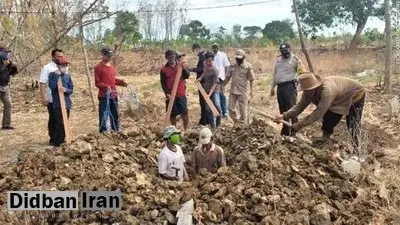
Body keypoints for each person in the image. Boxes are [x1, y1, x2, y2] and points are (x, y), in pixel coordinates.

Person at [275, 72, 366, 149]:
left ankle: (356, 150)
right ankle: (325, 138)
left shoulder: (327, 91)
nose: (305, 92)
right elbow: (299, 106)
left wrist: (299, 125)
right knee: (329, 117)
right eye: (304, 90)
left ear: (314, 87)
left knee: (352, 123)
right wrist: (284, 116)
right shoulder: (308, 93)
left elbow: (319, 112)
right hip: (338, 98)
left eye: (307, 90)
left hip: (355, 94)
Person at [270, 43, 305, 136]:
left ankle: (294, 130)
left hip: (290, 87)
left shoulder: (295, 60)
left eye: (286, 51)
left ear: (290, 50)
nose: (284, 53)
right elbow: (275, 74)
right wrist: (272, 88)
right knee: (282, 109)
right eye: (282, 51)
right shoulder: (278, 59)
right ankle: (285, 129)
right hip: (280, 87)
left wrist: (297, 81)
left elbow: (302, 73)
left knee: (292, 108)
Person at [94, 47, 128, 133]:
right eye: (108, 56)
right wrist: (105, 87)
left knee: (115, 114)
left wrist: (122, 83)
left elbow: (113, 80)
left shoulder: (112, 67)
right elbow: (97, 83)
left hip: (113, 94)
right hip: (104, 95)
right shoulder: (98, 67)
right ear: (103, 55)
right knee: (104, 114)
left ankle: (115, 130)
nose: (109, 58)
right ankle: (103, 131)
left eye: (110, 56)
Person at [160, 50, 190, 131]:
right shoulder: (163, 69)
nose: (171, 59)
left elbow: (187, 76)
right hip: (170, 95)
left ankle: (185, 129)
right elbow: (163, 82)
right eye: (169, 57)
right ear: (166, 58)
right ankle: (174, 129)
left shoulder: (180, 66)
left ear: (175, 57)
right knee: (172, 114)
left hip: (181, 93)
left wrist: (184, 68)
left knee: (184, 112)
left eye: (173, 57)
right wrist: (167, 93)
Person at [47, 56, 73, 150]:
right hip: (57, 104)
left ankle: (63, 141)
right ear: (58, 66)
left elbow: (71, 89)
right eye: (63, 65)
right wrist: (57, 75)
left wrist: (66, 90)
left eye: (66, 65)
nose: (65, 67)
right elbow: (52, 87)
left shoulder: (68, 75)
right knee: (60, 123)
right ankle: (57, 143)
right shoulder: (52, 75)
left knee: (65, 122)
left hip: (67, 103)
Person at [39, 49, 64, 144]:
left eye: (61, 56)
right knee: (54, 119)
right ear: (53, 57)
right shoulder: (47, 68)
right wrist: (44, 97)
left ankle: (61, 138)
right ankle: (53, 139)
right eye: (58, 56)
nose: (60, 58)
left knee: (61, 119)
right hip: (52, 99)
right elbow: (42, 83)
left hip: (62, 98)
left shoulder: (63, 67)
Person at [224, 49, 254, 123]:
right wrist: (223, 85)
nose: (238, 60)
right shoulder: (232, 65)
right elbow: (228, 77)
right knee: (230, 108)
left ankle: (243, 125)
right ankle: (236, 122)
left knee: (243, 111)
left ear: (244, 57)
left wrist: (251, 91)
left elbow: (251, 79)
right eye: (237, 58)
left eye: (240, 58)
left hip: (243, 91)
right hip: (233, 90)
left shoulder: (247, 66)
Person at [196, 51, 221, 128]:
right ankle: (212, 125)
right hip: (206, 88)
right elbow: (204, 72)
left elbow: (214, 84)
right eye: (207, 61)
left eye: (210, 61)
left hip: (214, 89)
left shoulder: (215, 70)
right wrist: (200, 78)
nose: (208, 63)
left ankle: (218, 119)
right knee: (207, 108)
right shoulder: (204, 64)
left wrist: (209, 94)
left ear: (213, 60)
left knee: (216, 105)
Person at [0, 48, 18, 130]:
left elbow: (14, 72)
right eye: (5, 53)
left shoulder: (8, 63)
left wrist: (12, 65)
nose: (6, 54)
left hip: (5, 87)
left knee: (8, 105)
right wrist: (3, 65)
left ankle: (6, 124)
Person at [190, 43, 207, 126]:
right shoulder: (203, 55)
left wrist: (191, 69)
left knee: (203, 102)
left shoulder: (202, 56)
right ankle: (204, 120)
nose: (194, 53)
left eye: (194, 50)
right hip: (203, 81)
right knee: (203, 101)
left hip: (203, 82)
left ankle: (204, 120)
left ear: (197, 49)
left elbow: (201, 69)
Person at [211, 43, 230, 118]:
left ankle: (225, 111)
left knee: (222, 95)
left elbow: (227, 66)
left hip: (221, 78)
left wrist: (225, 77)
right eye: (213, 48)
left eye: (216, 48)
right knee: (215, 95)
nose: (215, 49)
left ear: (218, 48)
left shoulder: (222, 55)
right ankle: (217, 111)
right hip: (213, 78)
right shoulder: (211, 56)